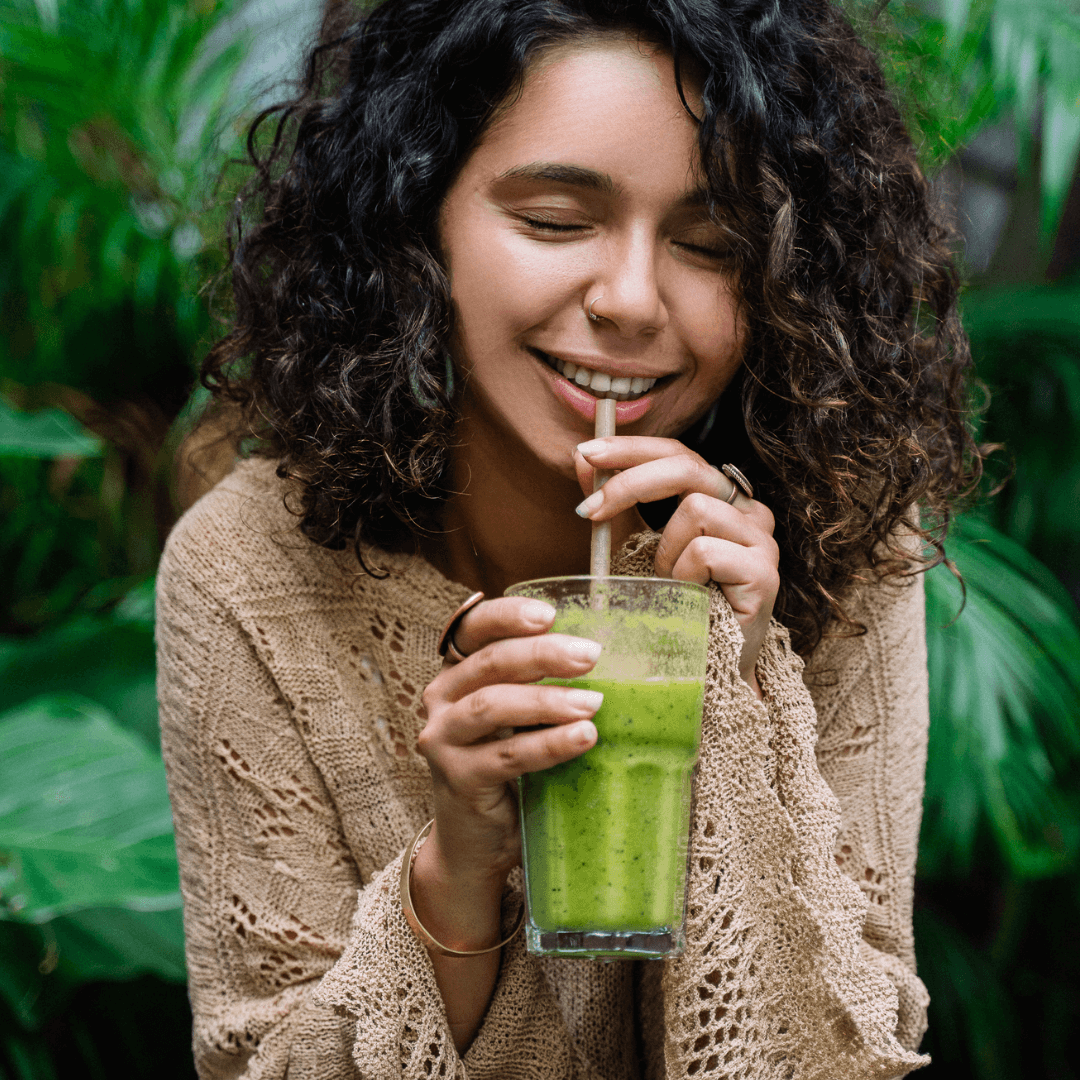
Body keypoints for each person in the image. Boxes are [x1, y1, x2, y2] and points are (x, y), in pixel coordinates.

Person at [156, 0, 980, 1076]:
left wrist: (735, 693)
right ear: (415, 220)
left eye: (711, 243)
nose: (632, 300)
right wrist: (455, 873)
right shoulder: (249, 575)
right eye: (554, 220)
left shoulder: (844, 541)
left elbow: (855, 1052)